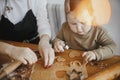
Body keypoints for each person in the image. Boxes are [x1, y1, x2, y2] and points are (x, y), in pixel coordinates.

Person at [0, 0, 54, 67]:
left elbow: (43, 23)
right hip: (5, 53)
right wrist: (11, 50)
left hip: (34, 48)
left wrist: (44, 41)